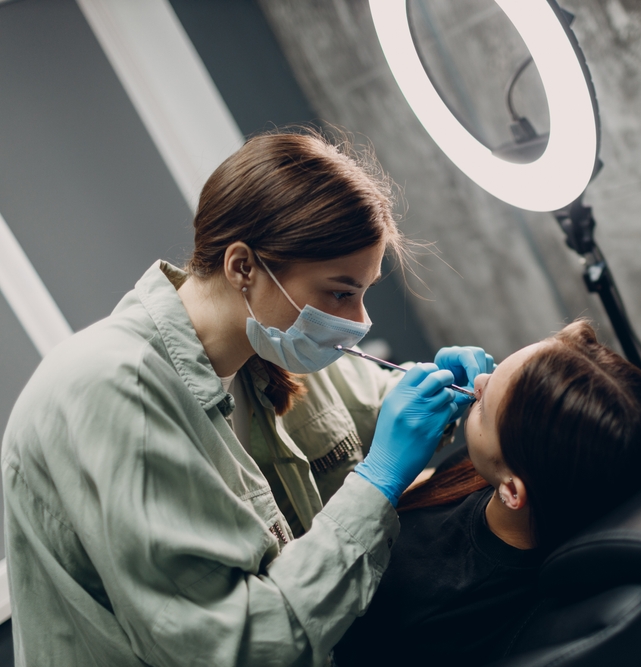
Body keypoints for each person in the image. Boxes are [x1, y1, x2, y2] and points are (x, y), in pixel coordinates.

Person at [1, 129, 493, 666]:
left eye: (364, 293)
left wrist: (442, 394)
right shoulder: (115, 393)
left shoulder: (268, 341)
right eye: (340, 293)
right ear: (243, 267)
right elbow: (238, 649)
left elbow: (378, 411)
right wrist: (377, 483)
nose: (357, 323)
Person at [333, 320, 641, 667]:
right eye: (498, 370)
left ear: (513, 491)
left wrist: (380, 474)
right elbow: (430, 494)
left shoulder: (434, 607)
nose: (481, 380)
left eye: (484, 410)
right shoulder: (505, 479)